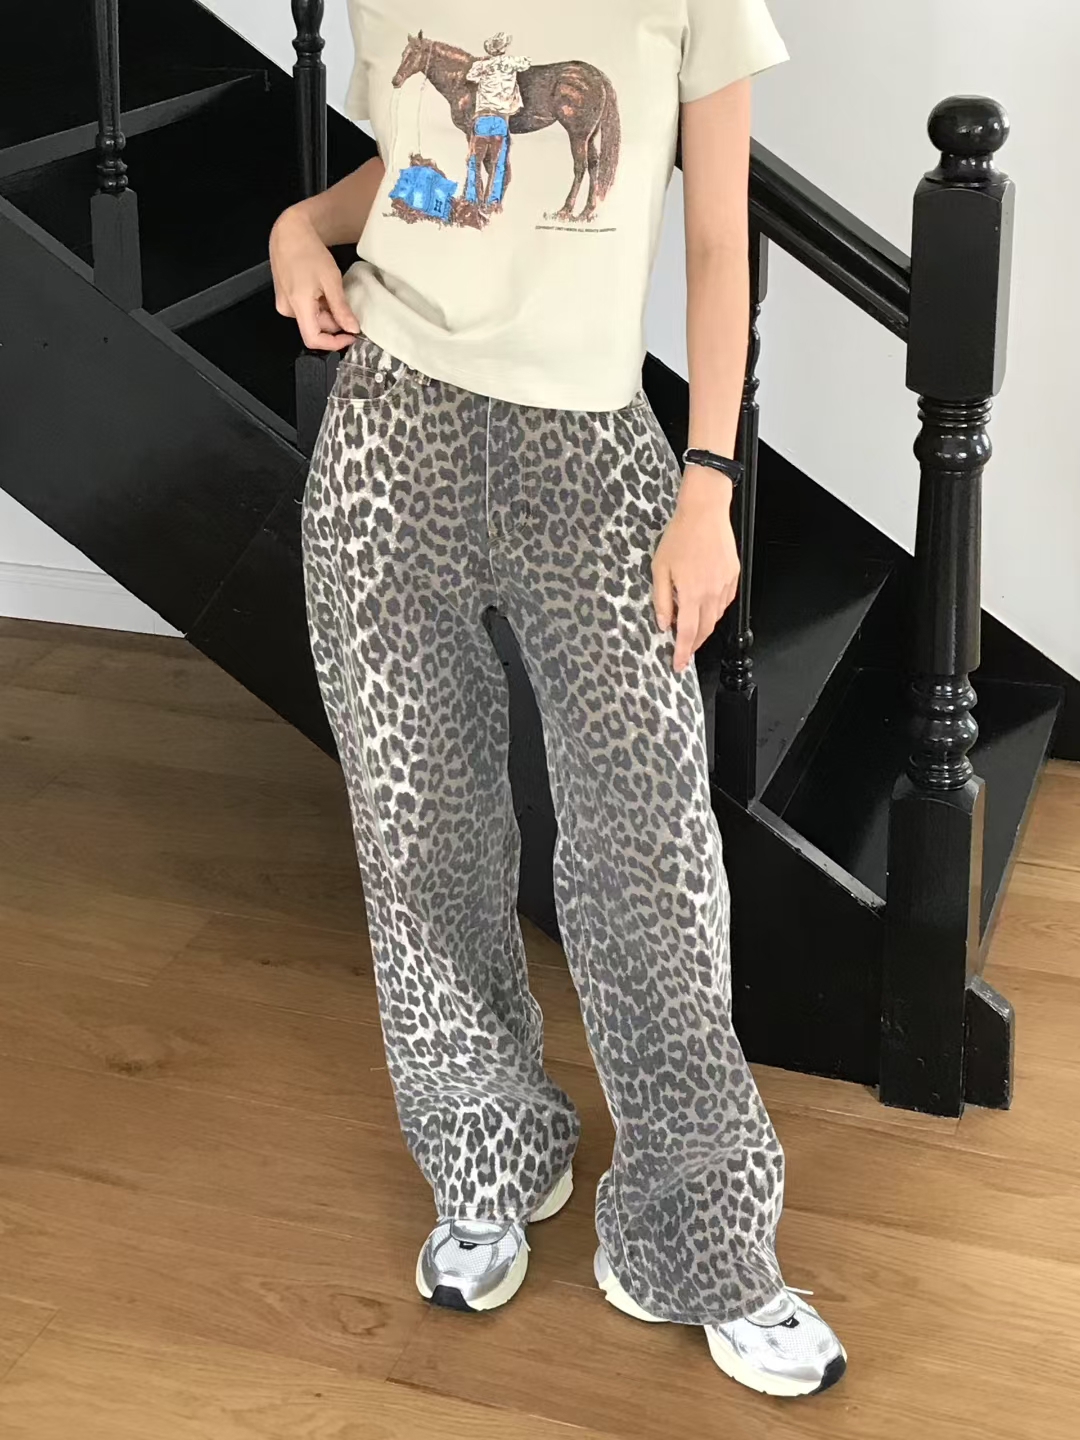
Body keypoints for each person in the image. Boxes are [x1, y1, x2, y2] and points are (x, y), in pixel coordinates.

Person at [269, 0, 847, 1400]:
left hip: (592, 455)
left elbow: (718, 242)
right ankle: (486, 1155)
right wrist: (305, 224)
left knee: (651, 857)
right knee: (421, 839)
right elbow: (424, 170)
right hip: (389, 431)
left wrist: (707, 484)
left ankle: (698, 1240)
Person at [463, 31, 530, 209]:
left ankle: (471, 199)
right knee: (499, 164)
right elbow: (526, 62)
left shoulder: (482, 65)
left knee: (474, 162)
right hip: (500, 120)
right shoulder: (511, 63)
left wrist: (485, 62)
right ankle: (493, 201)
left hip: (483, 118)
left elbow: (470, 77)